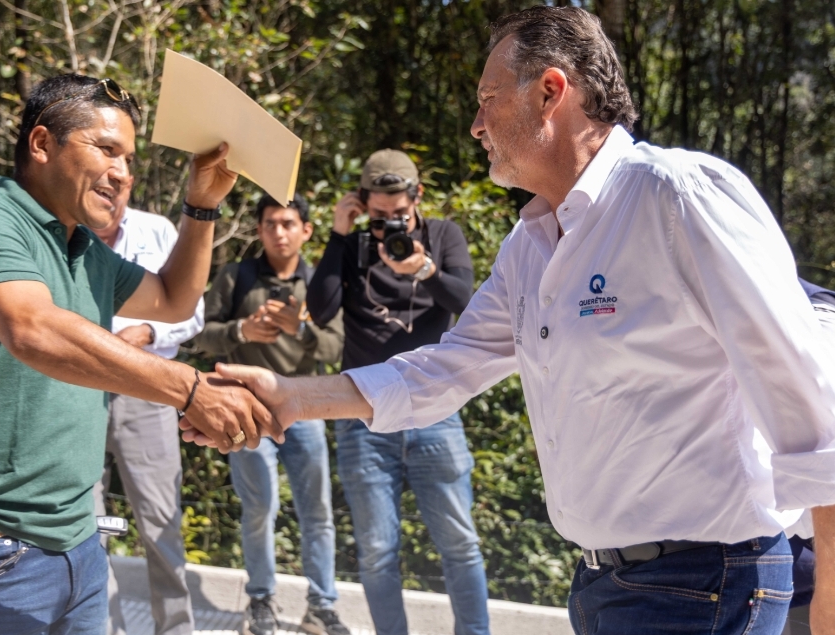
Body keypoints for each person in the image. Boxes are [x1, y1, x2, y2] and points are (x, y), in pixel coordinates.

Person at [193, 7, 835, 635]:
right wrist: (293, 397)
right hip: (602, 584)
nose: (476, 125)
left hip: (707, 584)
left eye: (487, 100)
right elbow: (445, 368)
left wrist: (832, 578)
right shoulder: (529, 246)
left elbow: (803, 388)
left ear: (551, 91)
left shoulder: (676, 195)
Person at [0, 73, 280, 635]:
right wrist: (188, 389)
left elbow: (174, 299)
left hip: (81, 548)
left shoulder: (83, 250)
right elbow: (33, 329)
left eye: (129, 159)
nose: (123, 172)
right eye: (106, 149)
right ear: (42, 144)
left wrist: (202, 205)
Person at [304, 150, 490, 635]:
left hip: (436, 412)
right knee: (377, 551)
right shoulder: (352, 246)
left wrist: (424, 269)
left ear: (417, 197)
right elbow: (320, 311)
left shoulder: (443, 236)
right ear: (362, 205)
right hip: (363, 418)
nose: (390, 226)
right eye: (378, 216)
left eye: (399, 215)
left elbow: (468, 304)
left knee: (460, 543)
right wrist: (338, 234)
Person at [192, 193, 349, 635]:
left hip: (307, 409)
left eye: (288, 223)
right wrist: (242, 330)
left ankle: (321, 606)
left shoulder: (321, 282)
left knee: (317, 511)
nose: (279, 232)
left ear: (306, 230)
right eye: (270, 224)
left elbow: (336, 348)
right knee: (260, 507)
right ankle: (260, 600)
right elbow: (200, 335)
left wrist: (299, 330)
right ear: (259, 229)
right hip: (247, 410)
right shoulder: (236, 276)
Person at [89, 179, 205, 635]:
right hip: (80, 391)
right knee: (89, 527)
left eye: (118, 182)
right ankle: (102, 627)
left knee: (161, 522)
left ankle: (175, 628)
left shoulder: (157, 231)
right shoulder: (65, 235)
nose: (109, 191)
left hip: (148, 391)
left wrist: (148, 332)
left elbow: (194, 310)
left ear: (130, 186)